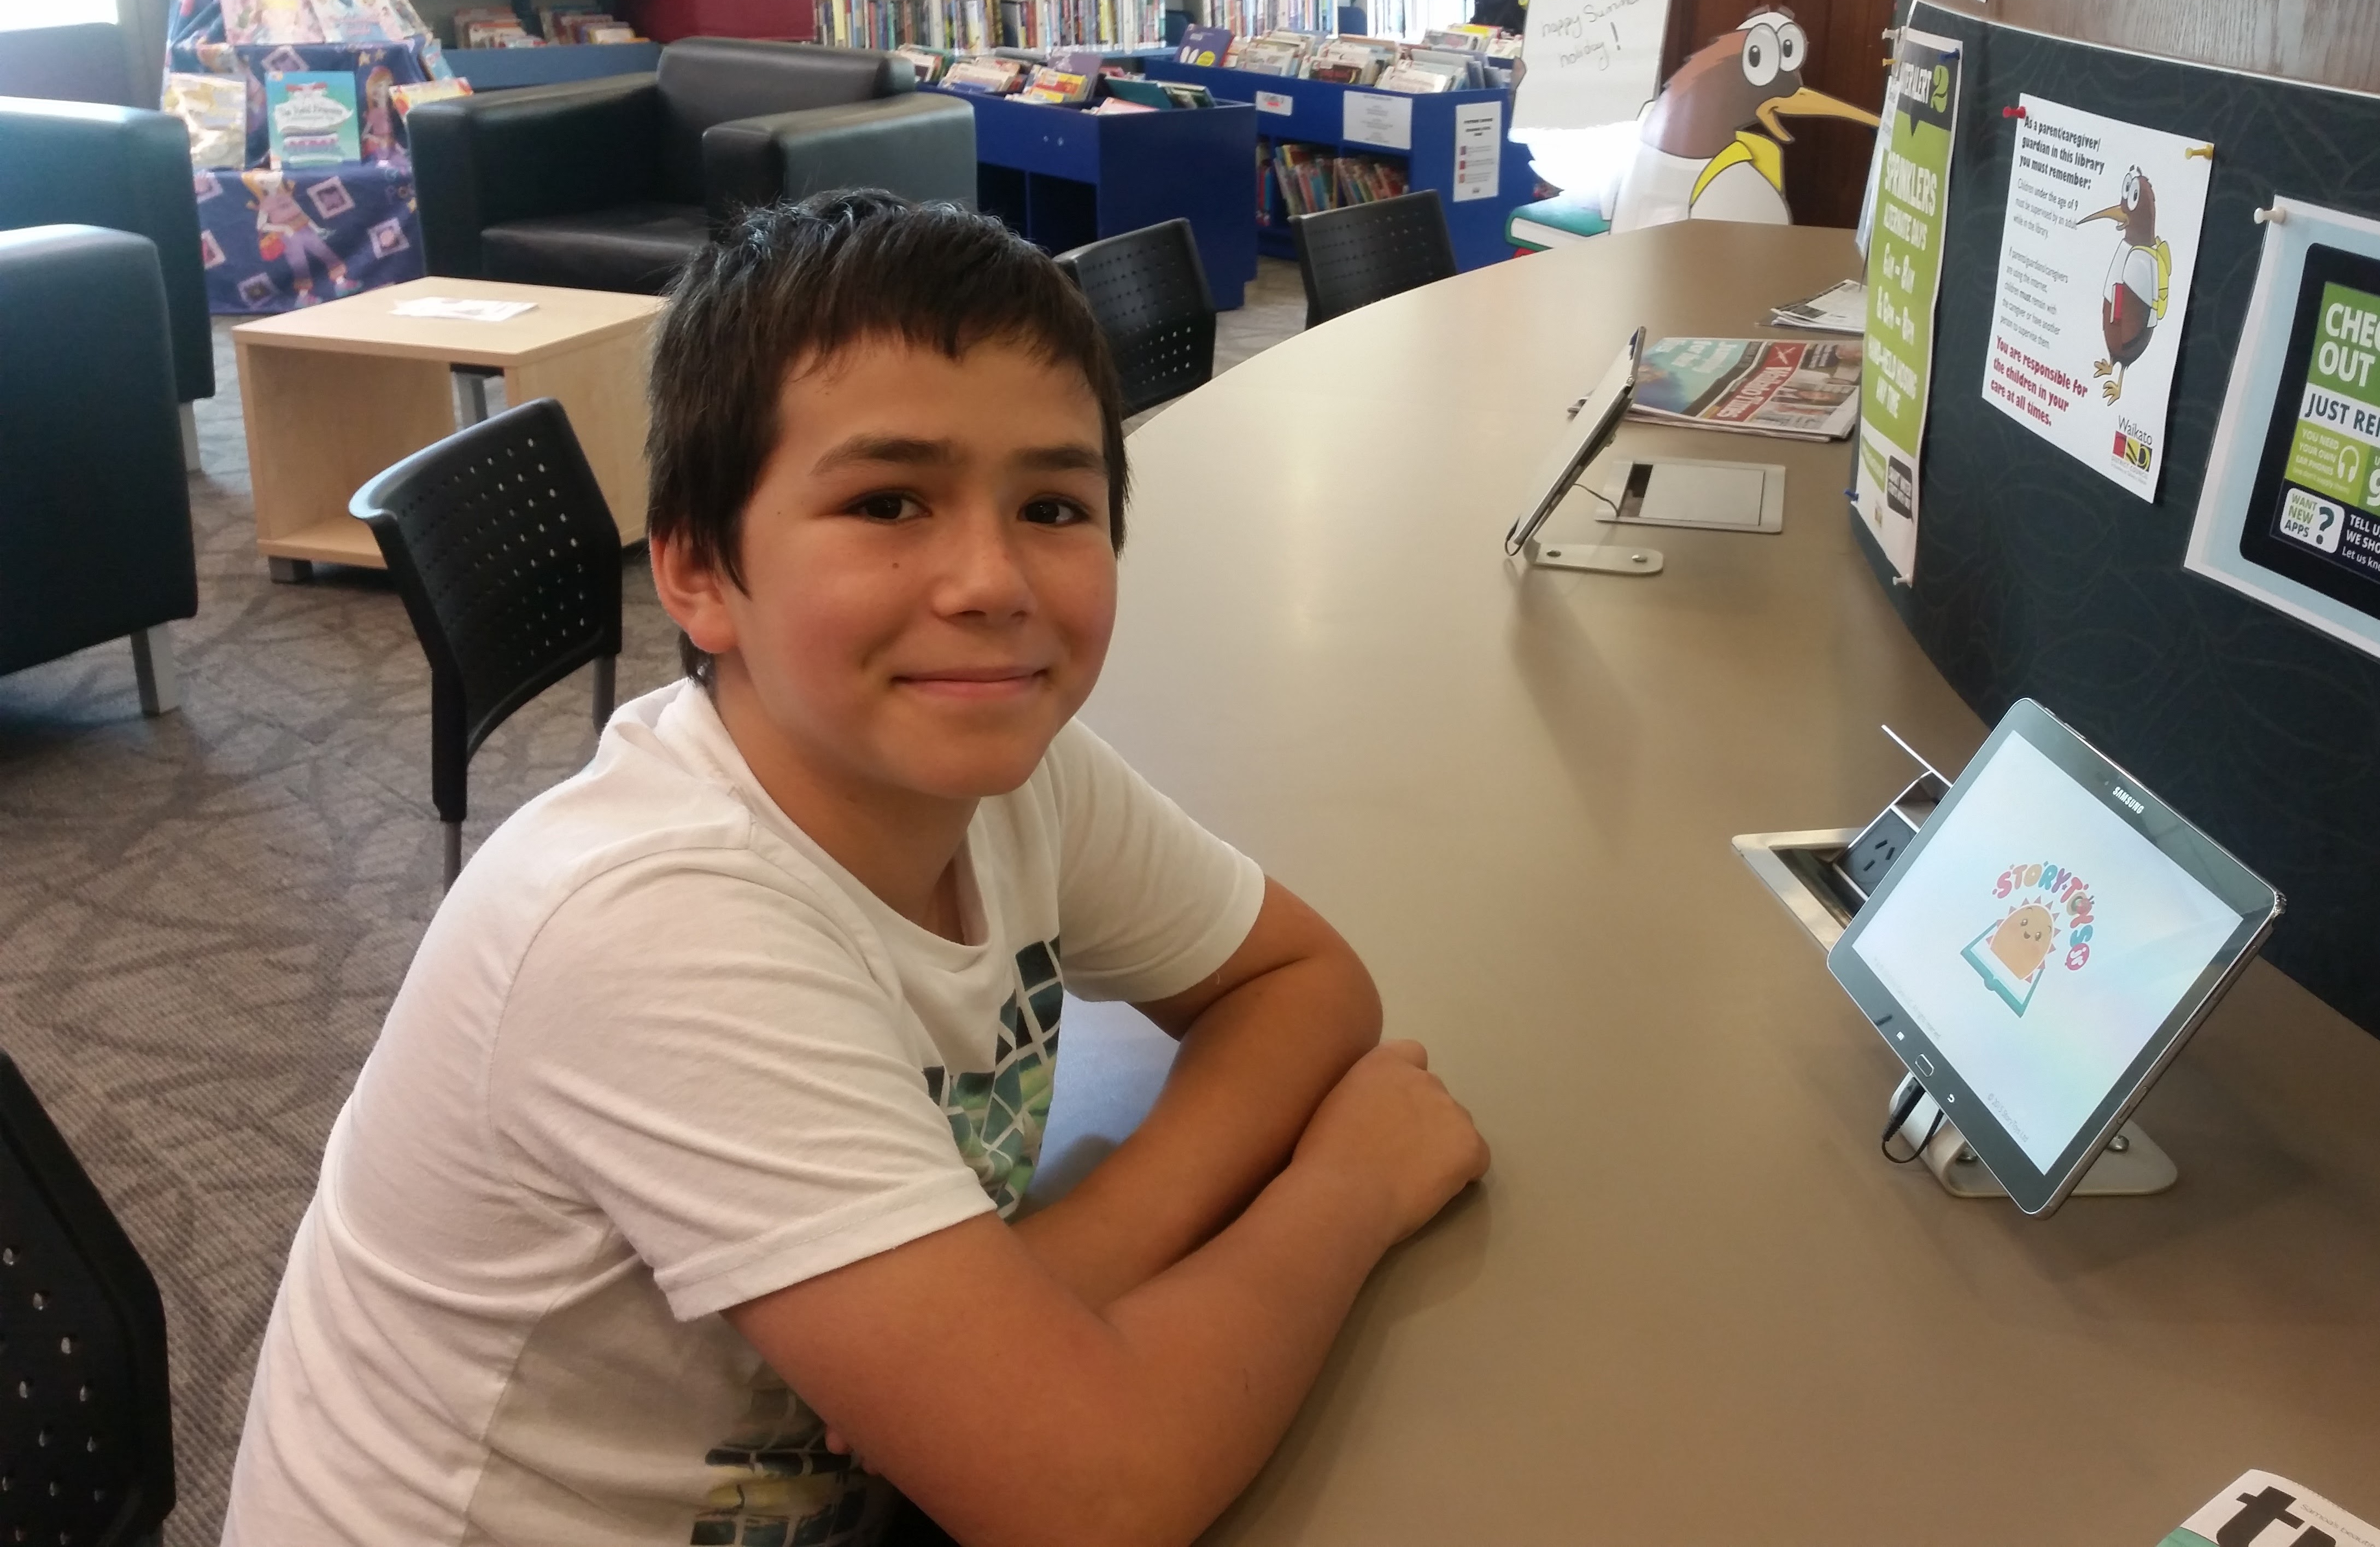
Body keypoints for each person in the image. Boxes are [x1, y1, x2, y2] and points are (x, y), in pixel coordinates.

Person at [223, 190, 1491, 1547]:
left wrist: (1070, 1260)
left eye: (1054, 504)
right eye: (890, 501)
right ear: (702, 576)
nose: (992, 579)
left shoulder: (1005, 773)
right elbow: (1094, 1497)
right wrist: (1344, 1191)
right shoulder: (653, 926)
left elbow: (1300, 982)